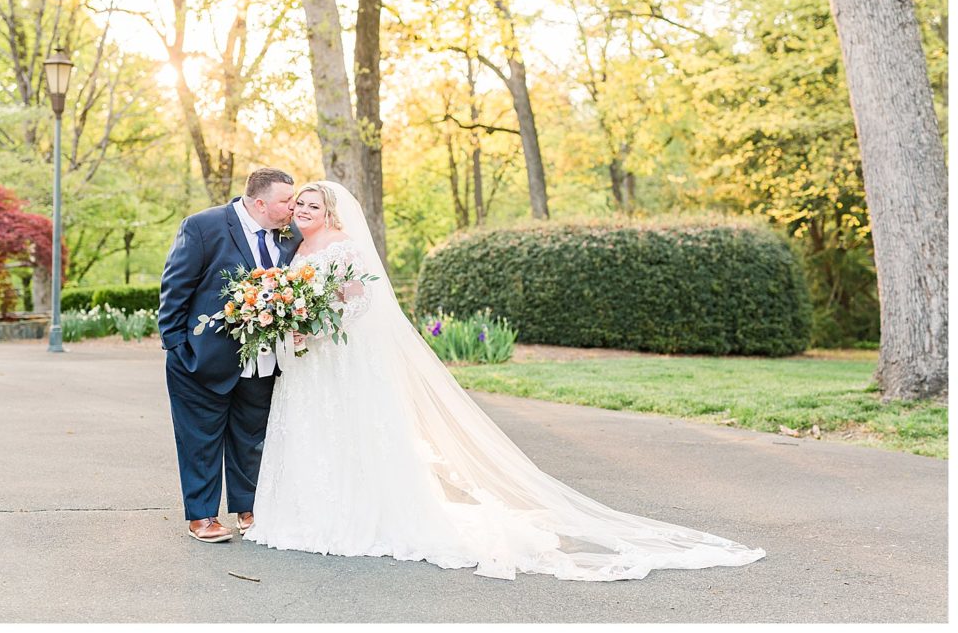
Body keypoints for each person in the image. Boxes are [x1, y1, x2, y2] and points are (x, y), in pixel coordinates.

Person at [242, 180, 767, 581]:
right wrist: (299, 327)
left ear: (329, 211)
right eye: (300, 205)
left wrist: (323, 330)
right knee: (316, 436)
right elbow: (304, 301)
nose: (304, 211)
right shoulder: (297, 252)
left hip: (342, 359)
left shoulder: (345, 247)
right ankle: (306, 517)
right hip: (309, 363)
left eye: (312, 205)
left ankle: (359, 519)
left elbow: (361, 305)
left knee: (352, 435)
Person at [159, 168, 302, 543]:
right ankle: (202, 516)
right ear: (259, 203)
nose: (294, 207)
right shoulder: (203, 226)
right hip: (201, 358)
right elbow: (175, 289)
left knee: (251, 436)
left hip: (265, 361)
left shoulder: (290, 233)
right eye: (286, 201)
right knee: (200, 439)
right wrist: (178, 347)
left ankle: (247, 507)